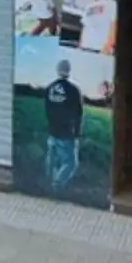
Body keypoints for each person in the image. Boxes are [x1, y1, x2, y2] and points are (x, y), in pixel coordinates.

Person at [45, 59, 84, 190]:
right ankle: (57, 185)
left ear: (57, 69)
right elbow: (78, 114)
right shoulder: (73, 90)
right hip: (66, 133)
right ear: (69, 70)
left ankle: (48, 183)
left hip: (52, 131)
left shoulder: (49, 88)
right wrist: (77, 133)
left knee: (52, 160)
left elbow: (47, 110)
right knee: (70, 163)